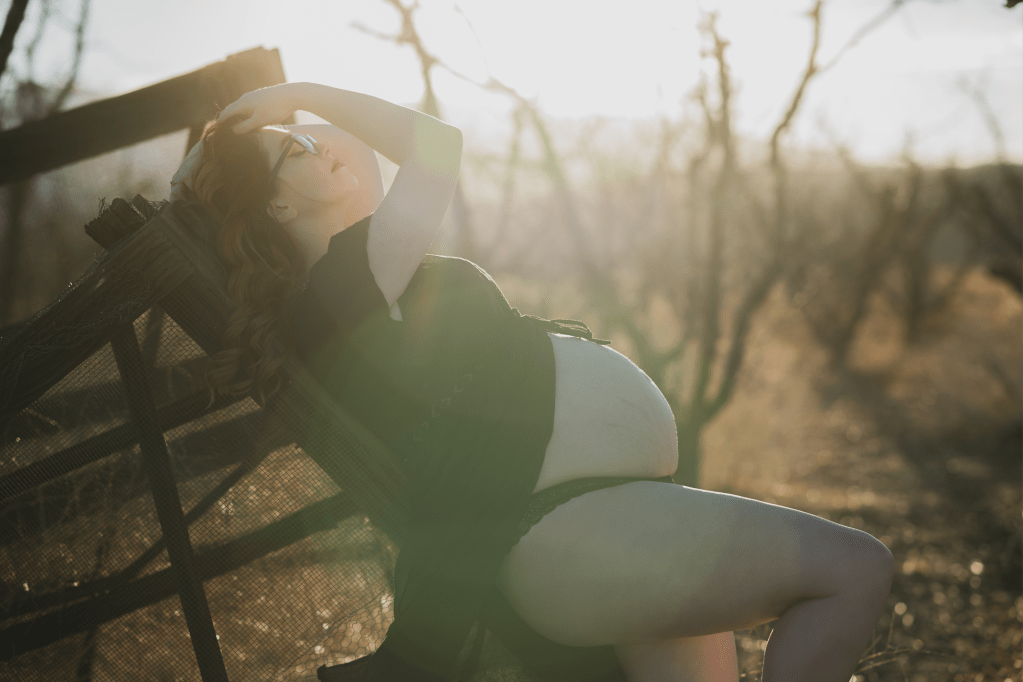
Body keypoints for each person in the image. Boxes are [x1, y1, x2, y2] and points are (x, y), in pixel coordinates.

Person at [172, 81, 895, 682]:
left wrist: (266, 130)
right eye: (293, 148)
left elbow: (363, 155)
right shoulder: (342, 284)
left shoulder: (356, 284)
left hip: (607, 522)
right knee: (853, 569)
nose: (319, 139)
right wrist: (294, 93)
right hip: (566, 531)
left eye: (306, 130)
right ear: (276, 206)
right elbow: (438, 146)